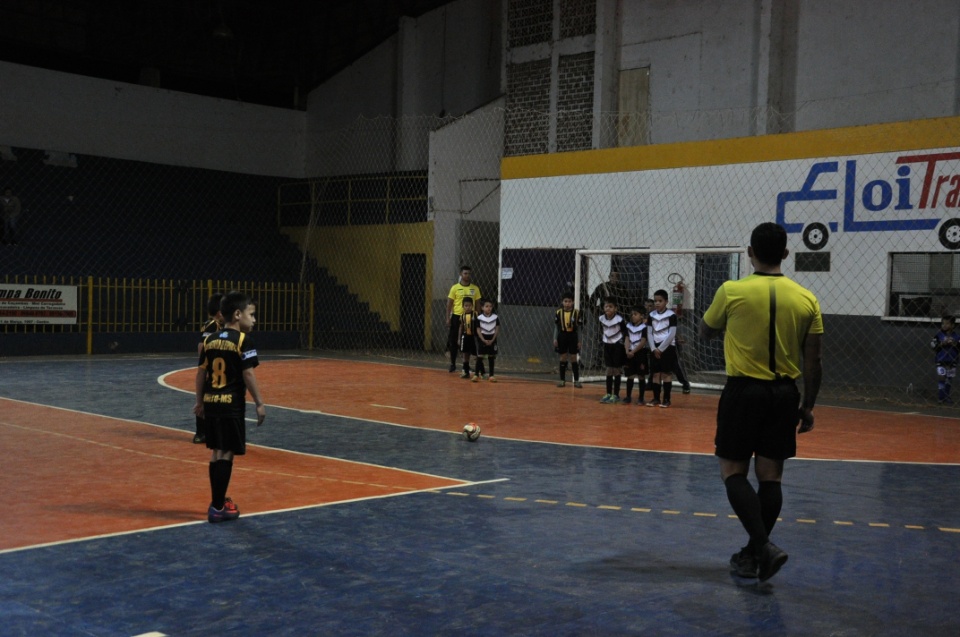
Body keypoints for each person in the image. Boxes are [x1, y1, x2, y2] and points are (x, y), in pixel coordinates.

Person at [699, 222, 823, 583]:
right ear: (786, 254)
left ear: (750, 252)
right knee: (771, 477)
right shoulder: (806, 299)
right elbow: (813, 362)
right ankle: (755, 553)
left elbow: (706, 330)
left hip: (743, 392)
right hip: (784, 394)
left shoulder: (731, 290)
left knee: (733, 472)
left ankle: (762, 547)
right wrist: (808, 405)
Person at [194, 291, 267, 524]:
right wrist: (259, 402)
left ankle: (217, 500)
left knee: (216, 453)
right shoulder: (244, 341)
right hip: (230, 406)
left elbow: (201, 374)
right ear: (237, 314)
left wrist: (199, 402)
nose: (254, 320)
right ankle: (217, 507)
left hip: (211, 403)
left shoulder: (210, 339)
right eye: (251, 314)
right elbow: (248, 373)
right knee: (226, 454)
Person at [193, 292, 224, 444]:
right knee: (205, 397)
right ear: (220, 312)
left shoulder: (209, 324)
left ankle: (204, 431)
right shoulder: (213, 325)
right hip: (209, 367)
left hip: (209, 366)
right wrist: (206, 365)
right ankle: (201, 432)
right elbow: (202, 346)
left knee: (207, 397)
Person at [446, 265, 481, 373]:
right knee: (454, 341)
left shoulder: (475, 288)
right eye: (465, 273)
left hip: (470, 318)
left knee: (468, 341)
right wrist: (448, 318)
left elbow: (478, 304)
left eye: (469, 273)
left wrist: (478, 318)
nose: (467, 275)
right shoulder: (455, 288)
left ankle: (466, 364)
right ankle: (452, 363)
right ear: (461, 274)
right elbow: (449, 304)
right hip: (457, 317)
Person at [647, 289, 679, 408]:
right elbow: (649, 333)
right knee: (655, 374)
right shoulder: (651, 315)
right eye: (655, 301)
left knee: (666, 374)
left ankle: (666, 399)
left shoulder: (671, 315)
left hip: (667, 348)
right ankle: (656, 398)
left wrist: (660, 349)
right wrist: (653, 348)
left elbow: (672, 334)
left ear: (666, 301)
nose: (657, 303)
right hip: (654, 348)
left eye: (660, 301)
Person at [598, 297, 626, 403]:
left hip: (617, 345)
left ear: (616, 308)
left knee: (616, 370)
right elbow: (602, 330)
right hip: (607, 345)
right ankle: (608, 393)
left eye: (610, 307)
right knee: (609, 370)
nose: (608, 309)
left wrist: (624, 346)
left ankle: (616, 395)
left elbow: (624, 332)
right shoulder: (601, 318)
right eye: (606, 306)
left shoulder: (619, 319)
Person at [554, 291, 584, 388]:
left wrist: (579, 340)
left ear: (573, 302)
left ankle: (576, 380)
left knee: (573, 358)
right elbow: (556, 327)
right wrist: (555, 338)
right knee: (563, 357)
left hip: (573, 336)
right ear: (562, 302)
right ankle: (562, 380)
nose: (567, 303)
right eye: (565, 301)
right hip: (562, 336)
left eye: (569, 301)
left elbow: (579, 328)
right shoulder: (558, 312)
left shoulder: (576, 313)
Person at [622, 307, 649, 405]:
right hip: (629, 353)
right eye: (632, 314)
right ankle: (628, 396)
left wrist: (633, 351)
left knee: (641, 376)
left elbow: (643, 341)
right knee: (630, 375)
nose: (633, 316)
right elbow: (626, 339)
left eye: (635, 314)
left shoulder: (644, 328)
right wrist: (626, 351)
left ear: (641, 316)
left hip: (640, 353)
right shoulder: (628, 326)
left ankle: (641, 398)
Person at [931, 315, 959, 404]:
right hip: (941, 360)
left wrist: (954, 343)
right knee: (941, 377)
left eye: (947, 323)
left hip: (952, 360)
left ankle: (947, 396)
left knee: (949, 379)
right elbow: (933, 345)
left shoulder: (957, 337)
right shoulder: (938, 336)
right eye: (943, 323)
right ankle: (941, 397)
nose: (944, 325)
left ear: (953, 325)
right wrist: (943, 343)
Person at [475, 298, 500, 382]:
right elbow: (478, 329)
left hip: (492, 338)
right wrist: (483, 339)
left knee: (491, 356)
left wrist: (493, 339)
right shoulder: (479, 318)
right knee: (480, 356)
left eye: (490, 306)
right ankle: (476, 374)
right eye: (486, 306)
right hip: (483, 338)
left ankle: (491, 375)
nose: (489, 308)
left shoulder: (495, 317)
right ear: (482, 308)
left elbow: (497, 328)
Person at [457, 296, 479, 379]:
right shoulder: (462, 316)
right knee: (465, 353)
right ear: (463, 306)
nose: (468, 307)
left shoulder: (475, 314)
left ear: (472, 306)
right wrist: (459, 338)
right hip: (465, 336)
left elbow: (479, 325)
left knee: (476, 355)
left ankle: (478, 371)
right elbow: (461, 327)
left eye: (469, 305)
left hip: (474, 337)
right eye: (466, 305)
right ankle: (465, 371)